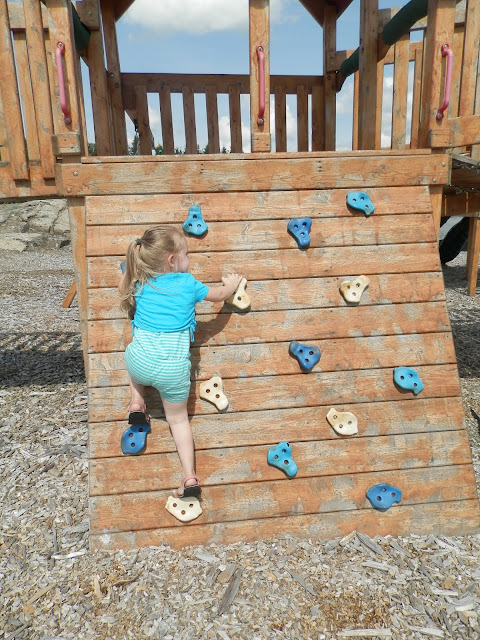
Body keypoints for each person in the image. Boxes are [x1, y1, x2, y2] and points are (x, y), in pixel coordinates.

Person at [118, 225, 242, 499]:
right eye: (187, 254)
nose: (190, 259)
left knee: (134, 351)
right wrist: (231, 285)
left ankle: (136, 401)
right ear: (172, 260)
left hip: (140, 363)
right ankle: (189, 477)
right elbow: (219, 295)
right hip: (172, 373)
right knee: (178, 421)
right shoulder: (188, 284)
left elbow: (123, 285)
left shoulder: (140, 283)